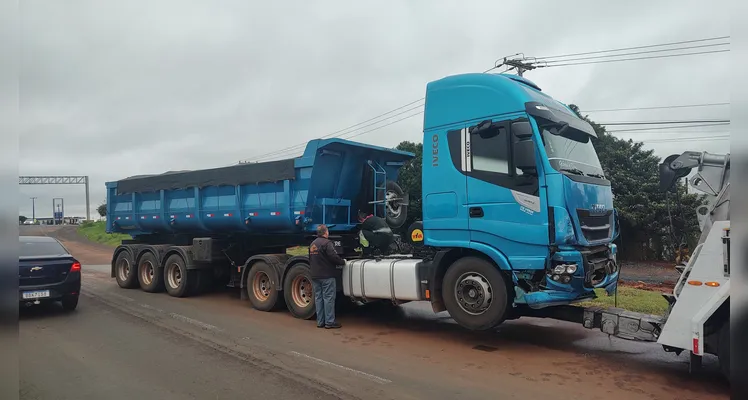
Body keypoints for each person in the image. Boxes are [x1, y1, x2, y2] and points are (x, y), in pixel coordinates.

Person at [309, 224, 345, 329]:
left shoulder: (312, 244)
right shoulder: (327, 243)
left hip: (315, 275)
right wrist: (342, 262)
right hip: (327, 275)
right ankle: (329, 322)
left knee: (318, 298)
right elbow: (333, 257)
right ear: (326, 232)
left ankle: (320, 322)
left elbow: (310, 259)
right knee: (328, 298)